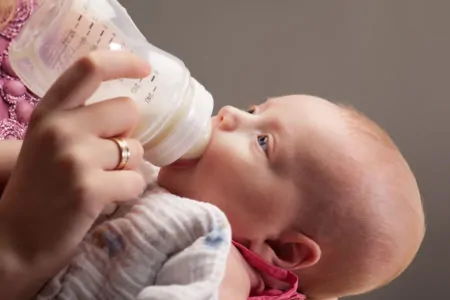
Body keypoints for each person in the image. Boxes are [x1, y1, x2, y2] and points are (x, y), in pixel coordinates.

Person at [0, 1, 425, 299]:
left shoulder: (213, 259)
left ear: (281, 250)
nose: (229, 113)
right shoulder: (146, 176)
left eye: (262, 142)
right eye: (255, 109)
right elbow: (32, 167)